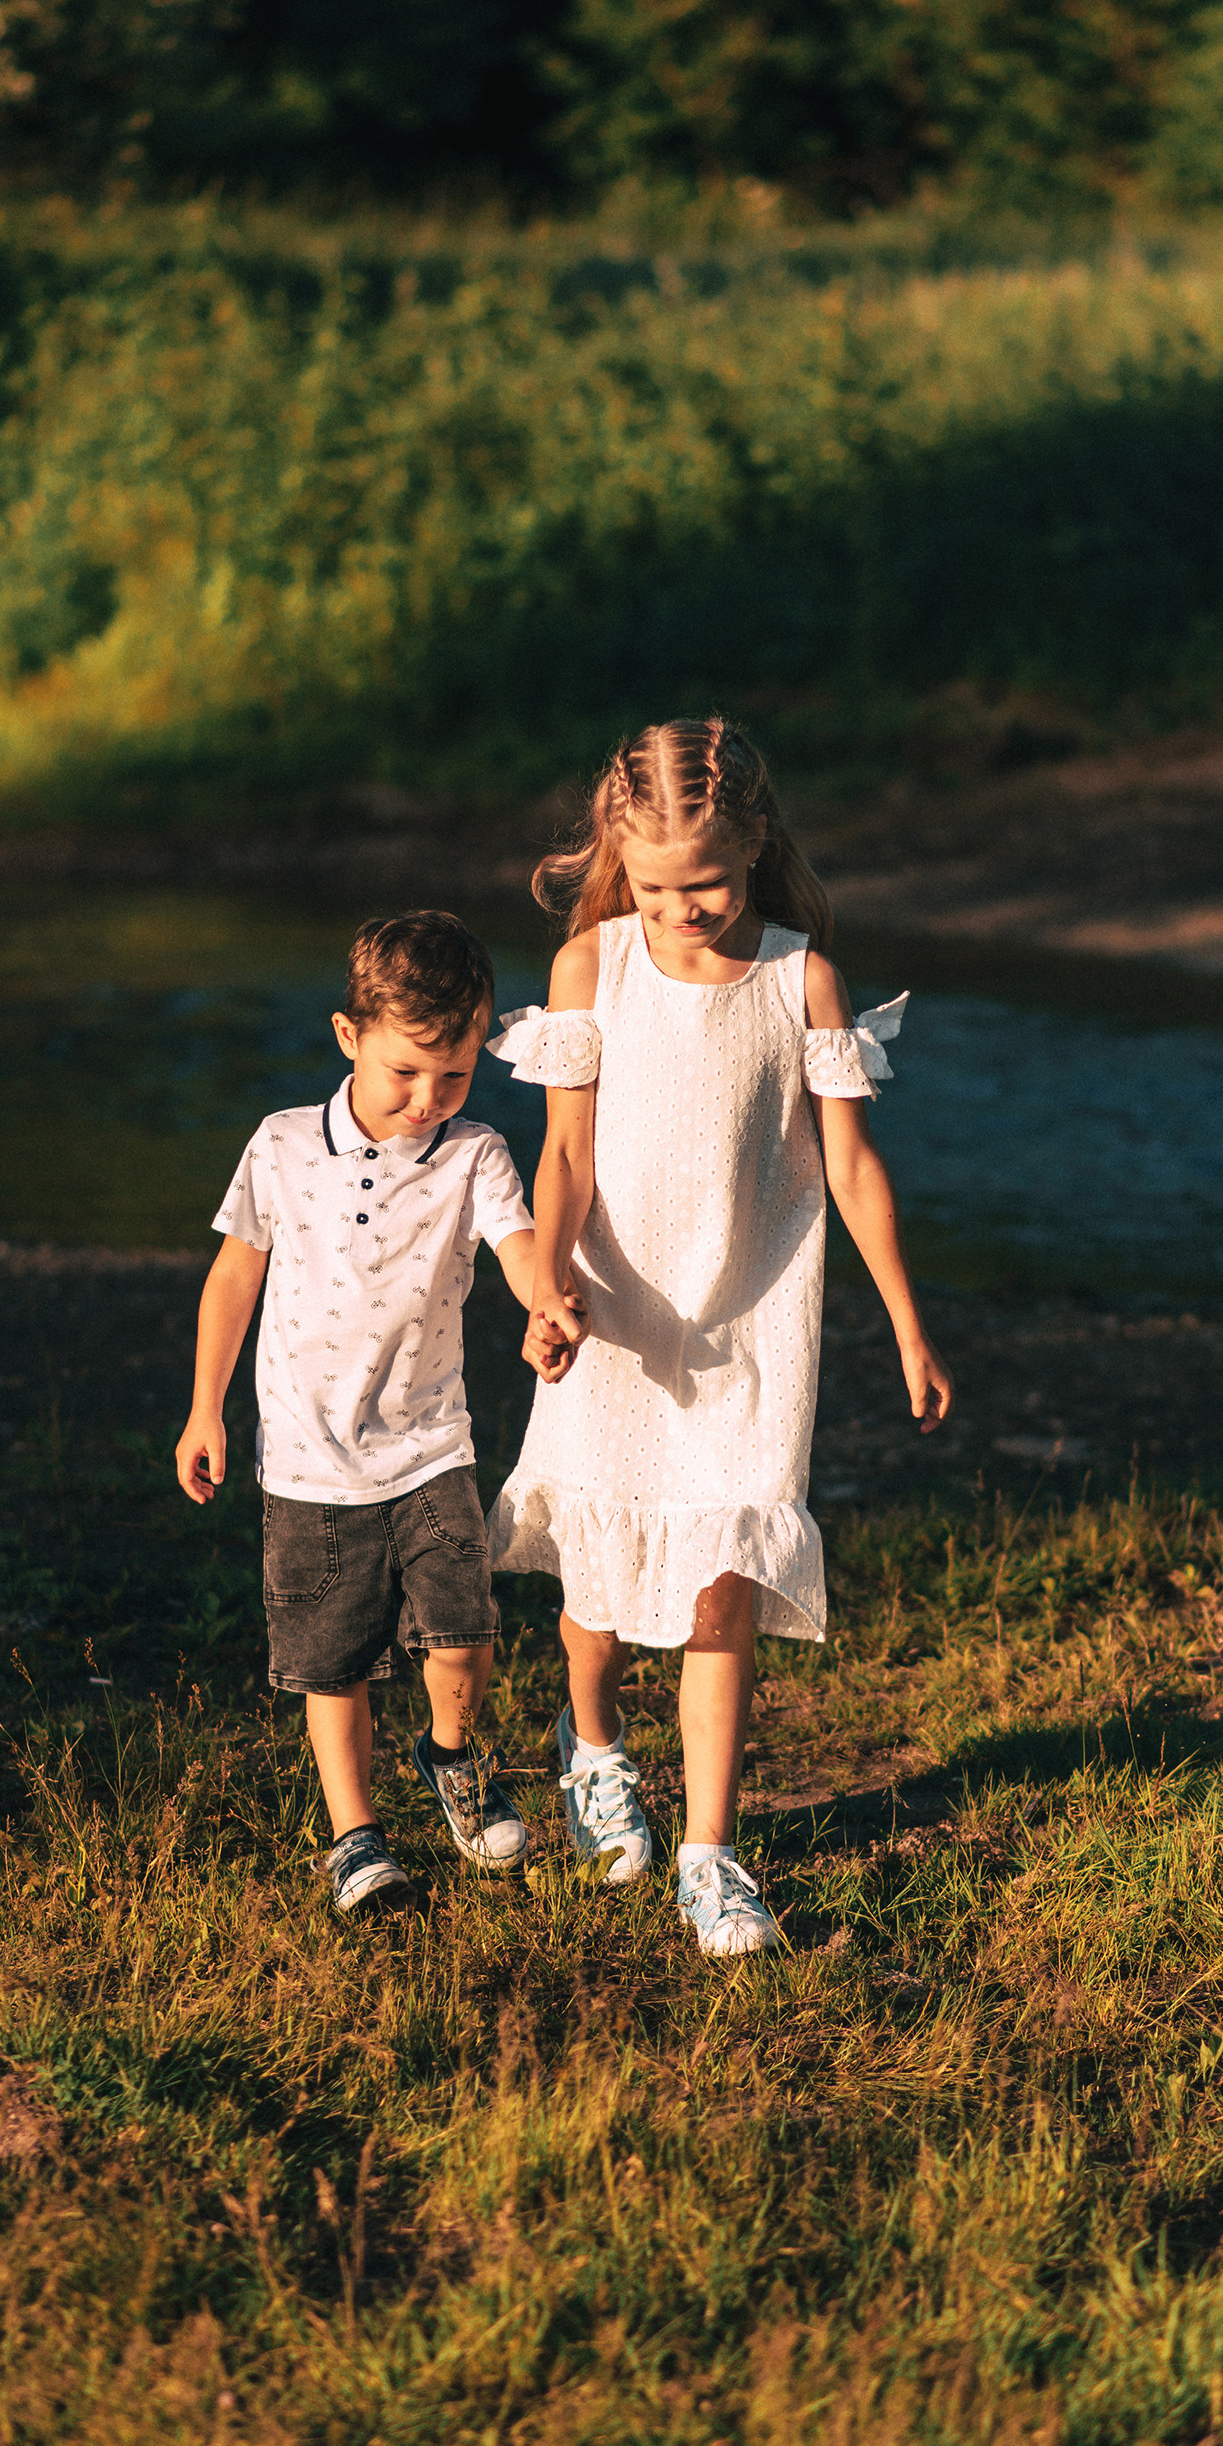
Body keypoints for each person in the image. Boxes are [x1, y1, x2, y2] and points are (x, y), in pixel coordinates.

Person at [486, 715, 953, 1958]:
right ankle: (592, 1752)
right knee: (593, 1572)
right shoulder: (594, 966)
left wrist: (908, 1326)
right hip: (615, 1314)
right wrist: (544, 1290)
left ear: (755, 848)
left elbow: (851, 1173)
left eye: (706, 883)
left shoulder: (801, 981)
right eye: (652, 886)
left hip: (750, 1324)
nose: (681, 908)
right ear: (615, 864)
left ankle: (709, 1852)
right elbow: (567, 1154)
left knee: (719, 1589)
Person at [175, 910, 544, 1919]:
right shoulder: (282, 1146)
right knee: (330, 1662)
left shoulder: (475, 1153)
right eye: (404, 1074)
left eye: (455, 1077)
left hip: (431, 1445)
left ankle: (453, 1759)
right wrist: (205, 1407)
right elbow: (231, 1280)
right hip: (306, 1457)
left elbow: (515, 1245)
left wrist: (544, 1301)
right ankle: (356, 1839)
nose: (428, 1101)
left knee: (461, 1634)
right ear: (349, 1038)